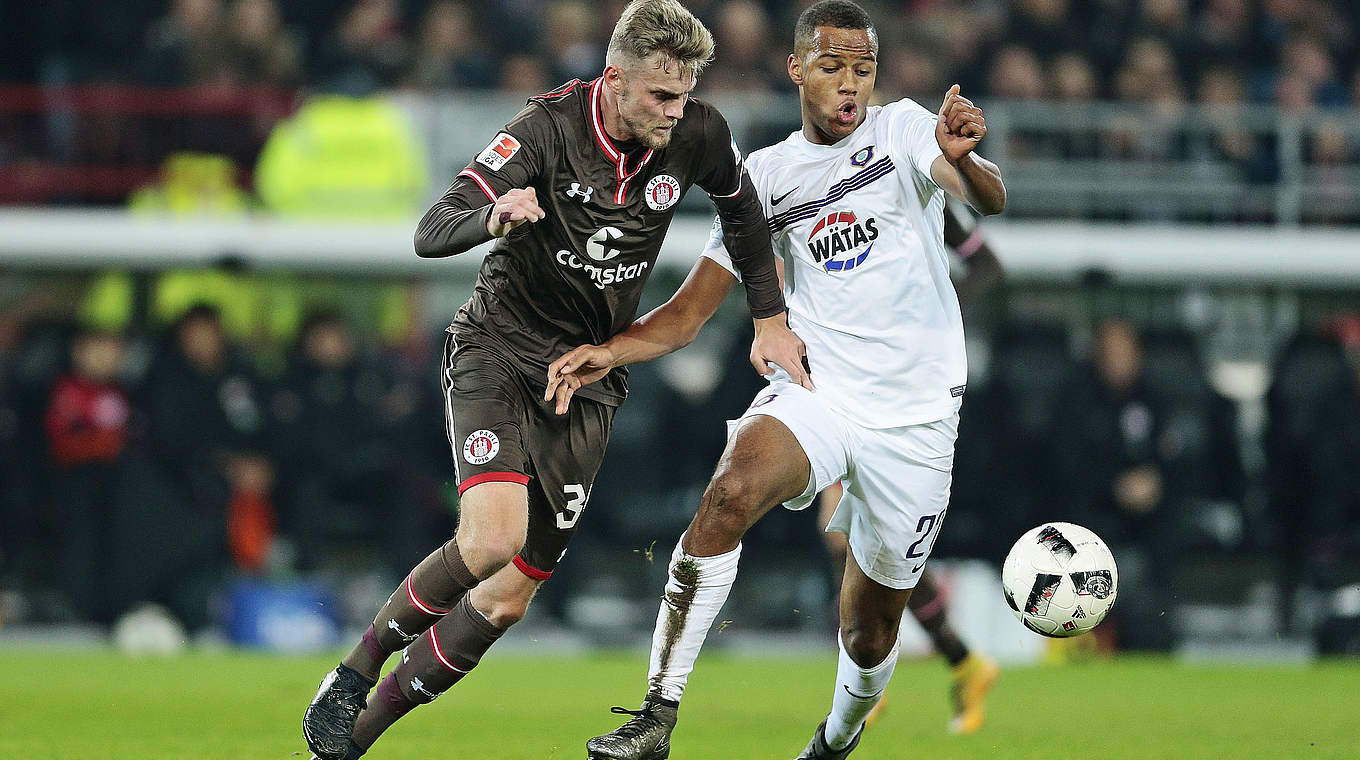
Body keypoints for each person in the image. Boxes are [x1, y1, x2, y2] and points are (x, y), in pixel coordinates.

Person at [300, 2, 808, 759]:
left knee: (508, 599)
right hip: (500, 351)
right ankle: (351, 675)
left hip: (587, 378)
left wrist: (768, 318)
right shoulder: (545, 128)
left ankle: (353, 741)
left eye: (684, 94)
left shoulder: (698, 133)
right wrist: (493, 219)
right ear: (614, 79)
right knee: (491, 542)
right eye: (660, 95)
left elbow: (744, 216)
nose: (676, 111)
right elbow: (431, 230)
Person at [546, 3, 1006, 757]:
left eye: (863, 69)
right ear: (796, 69)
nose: (850, 84)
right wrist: (612, 350)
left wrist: (968, 160)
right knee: (728, 493)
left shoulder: (901, 130)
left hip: (917, 418)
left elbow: (988, 199)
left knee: (868, 630)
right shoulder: (763, 177)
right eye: (832, 67)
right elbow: (690, 312)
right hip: (819, 392)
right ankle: (656, 716)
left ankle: (835, 739)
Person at [815, 201, 1003, 736]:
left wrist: (934, 308)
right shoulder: (827, 191)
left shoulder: (921, 197)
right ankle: (952, 664)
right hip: (844, 379)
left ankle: (872, 675)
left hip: (910, 396)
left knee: (862, 540)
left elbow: (987, 265)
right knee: (852, 538)